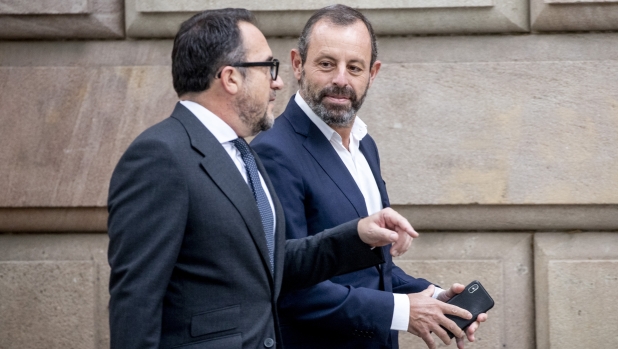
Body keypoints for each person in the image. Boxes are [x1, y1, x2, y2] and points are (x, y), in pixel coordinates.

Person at [106, 8, 441, 349]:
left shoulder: (242, 154)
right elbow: (136, 301)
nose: (278, 81)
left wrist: (357, 236)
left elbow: (277, 264)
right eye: (268, 67)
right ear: (232, 78)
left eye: (355, 67)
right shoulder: (159, 155)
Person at [252, 5, 487, 349]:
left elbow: (374, 272)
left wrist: (432, 297)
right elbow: (288, 287)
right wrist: (402, 311)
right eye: (326, 64)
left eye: (355, 67)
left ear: (372, 73)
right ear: (298, 64)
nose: (341, 80)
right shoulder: (274, 151)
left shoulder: (364, 145)